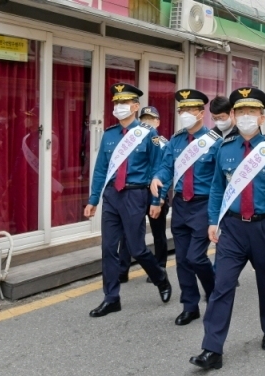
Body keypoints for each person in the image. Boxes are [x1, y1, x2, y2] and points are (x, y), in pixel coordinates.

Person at [189, 87, 265, 370]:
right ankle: (212, 349)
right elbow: (216, 189)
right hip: (233, 227)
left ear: (262, 117)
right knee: (221, 286)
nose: (247, 116)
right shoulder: (224, 148)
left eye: (253, 112)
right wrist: (213, 220)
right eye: (242, 112)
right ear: (233, 116)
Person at [84, 83, 172, 318]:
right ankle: (111, 298)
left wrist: (157, 200)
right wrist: (93, 199)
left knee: (137, 248)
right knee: (109, 248)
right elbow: (101, 169)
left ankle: (160, 277)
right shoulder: (110, 134)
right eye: (116, 103)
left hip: (135, 194)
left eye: (123, 103)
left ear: (135, 106)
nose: (118, 107)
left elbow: (158, 169)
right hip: (112, 195)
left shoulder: (148, 134)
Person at [150, 89, 220, 326]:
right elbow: (166, 167)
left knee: (196, 257)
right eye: (182, 110)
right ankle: (190, 306)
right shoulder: (176, 140)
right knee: (182, 259)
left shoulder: (215, 142)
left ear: (201, 113)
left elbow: (221, 179)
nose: (185, 114)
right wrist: (159, 180)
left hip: (203, 205)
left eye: (190, 110)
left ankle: (213, 295)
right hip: (181, 204)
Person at [119, 106, 170, 284]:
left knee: (158, 232)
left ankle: (160, 266)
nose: (147, 123)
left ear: (158, 123)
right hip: (137, 192)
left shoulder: (163, 144)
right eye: (144, 120)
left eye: (151, 120)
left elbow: (167, 172)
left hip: (156, 192)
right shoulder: (133, 141)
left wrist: (161, 196)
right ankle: (122, 269)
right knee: (128, 231)